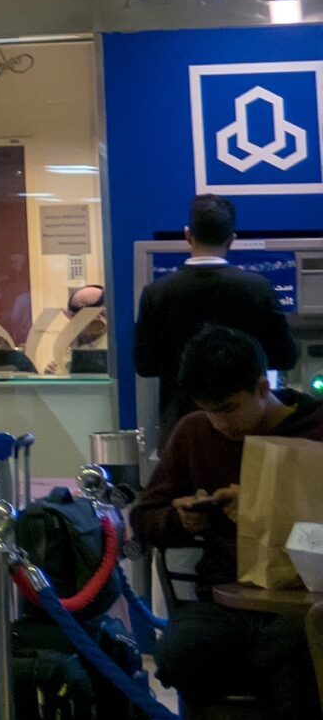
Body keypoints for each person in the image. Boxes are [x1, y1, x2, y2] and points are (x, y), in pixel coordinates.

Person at [132, 325, 323, 720]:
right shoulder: (194, 432)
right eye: (208, 410)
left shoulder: (314, 427)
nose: (220, 424)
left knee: (296, 645)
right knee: (178, 652)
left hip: (309, 601)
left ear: (260, 387)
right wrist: (183, 520)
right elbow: (144, 517)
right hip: (224, 598)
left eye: (229, 409)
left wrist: (262, 507)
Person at [133, 195, 297, 440]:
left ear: (188, 235)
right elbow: (286, 357)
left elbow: (145, 366)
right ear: (231, 240)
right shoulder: (257, 287)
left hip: (182, 428)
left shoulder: (156, 293)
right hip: (249, 427)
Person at [51, 284, 111, 375]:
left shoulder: (111, 342)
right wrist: (53, 373)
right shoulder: (76, 339)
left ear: (98, 316)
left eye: (80, 319)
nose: (74, 324)